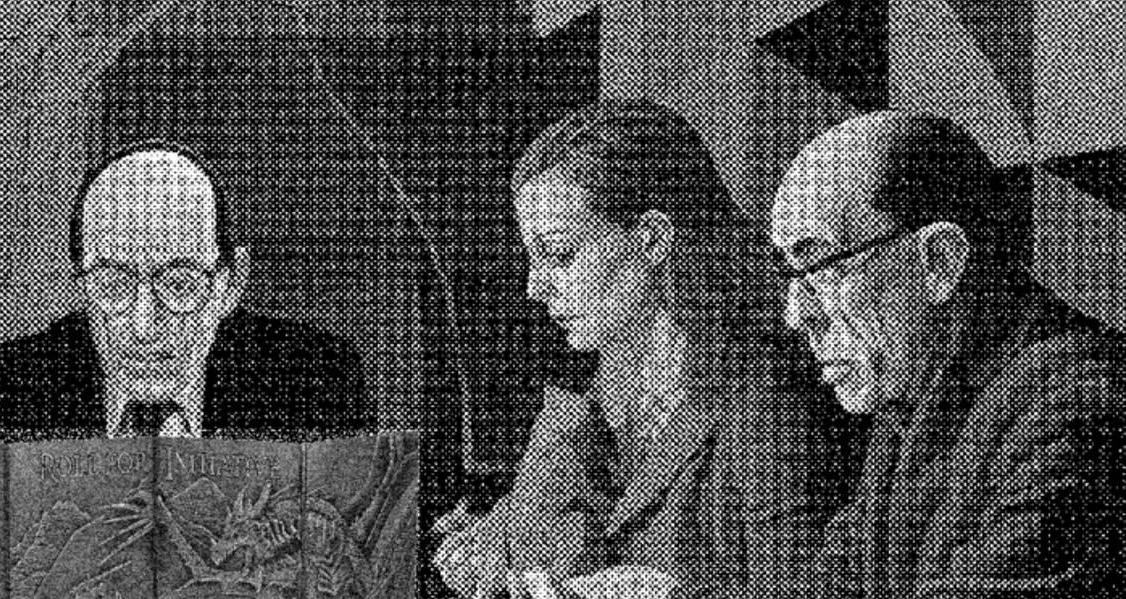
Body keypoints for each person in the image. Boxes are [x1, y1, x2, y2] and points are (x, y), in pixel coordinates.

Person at [0, 139, 374, 565]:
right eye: (112, 285)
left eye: (180, 284)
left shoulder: (311, 380)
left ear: (230, 284)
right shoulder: (0, 391)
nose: (142, 325)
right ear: (80, 285)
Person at [434, 100, 863, 599]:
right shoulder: (605, 394)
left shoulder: (765, 400)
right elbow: (528, 533)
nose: (535, 286)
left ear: (652, 240)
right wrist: (490, 548)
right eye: (533, 260)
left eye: (560, 255)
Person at [766, 110, 1126, 597]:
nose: (797, 314)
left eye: (824, 266)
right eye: (792, 276)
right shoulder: (909, 405)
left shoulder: (1076, 407)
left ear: (939, 261)